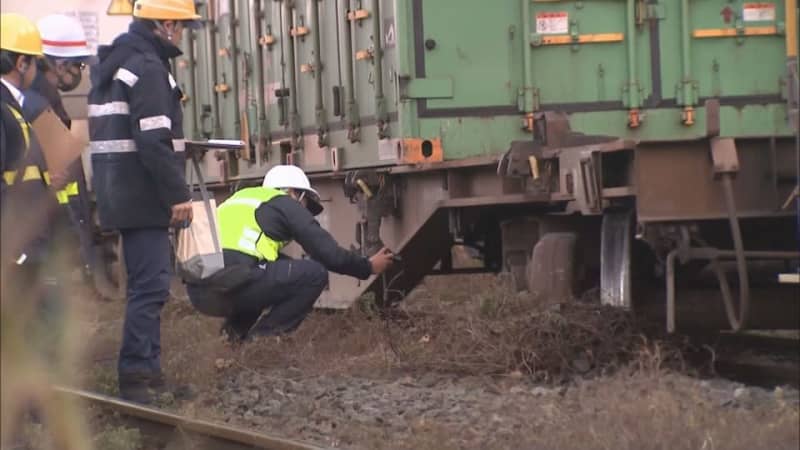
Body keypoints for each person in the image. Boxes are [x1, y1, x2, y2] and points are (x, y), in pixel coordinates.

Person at [87, 0, 201, 404]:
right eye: (181, 26)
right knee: (151, 288)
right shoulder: (150, 68)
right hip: (143, 191)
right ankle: (138, 377)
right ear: (166, 24)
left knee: (145, 287)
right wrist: (178, 194)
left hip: (119, 189)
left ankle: (148, 374)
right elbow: (154, 139)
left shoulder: (116, 63)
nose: (182, 35)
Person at [185, 164, 396, 342]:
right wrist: (367, 266)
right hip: (233, 282)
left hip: (200, 292)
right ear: (294, 193)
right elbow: (328, 254)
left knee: (274, 270)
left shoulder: (238, 200)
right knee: (313, 274)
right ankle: (262, 343)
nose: (304, 209)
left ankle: (232, 339)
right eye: (305, 202)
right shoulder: (283, 201)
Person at [26, 13, 98, 282]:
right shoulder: (37, 100)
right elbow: (61, 163)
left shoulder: (41, 94)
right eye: (76, 64)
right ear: (58, 64)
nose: (78, 71)